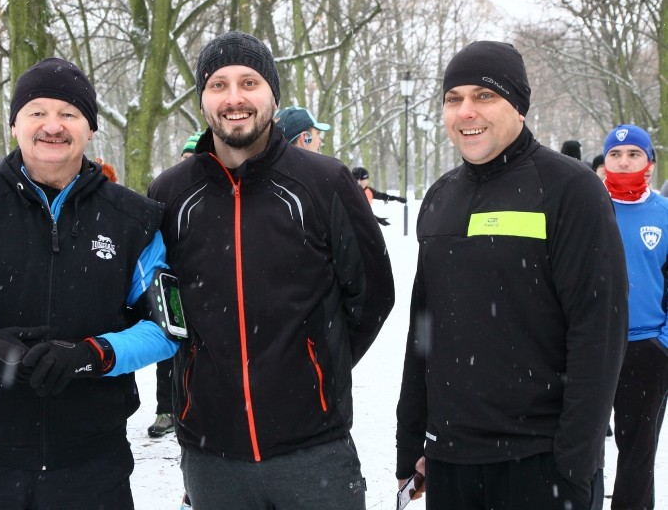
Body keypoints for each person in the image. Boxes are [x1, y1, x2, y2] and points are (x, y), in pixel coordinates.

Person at [0, 57, 179, 510]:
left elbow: (167, 329)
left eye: (69, 113)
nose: (52, 126)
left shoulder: (132, 220)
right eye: (37, 112)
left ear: (90, 128)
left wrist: (94, 355)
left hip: (92, 468)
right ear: (15, 125)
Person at [148, 30, 396, 509]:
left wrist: (315, 369)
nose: (234, 98)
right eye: (218, 84)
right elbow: (159, 302)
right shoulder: (171, 193)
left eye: (249, 82)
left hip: (314, 450)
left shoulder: (325, 182)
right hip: (211, 456)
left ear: (273, 96)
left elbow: (372, 296)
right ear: (202, 99)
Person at [395, 41, 628, 510]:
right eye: (453, 98)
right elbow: (424, 331)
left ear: (518, 105)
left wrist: (576, 461)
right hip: (451, 460)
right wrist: (410, 444)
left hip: (540, 461)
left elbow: (598, 330)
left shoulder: (570, 189)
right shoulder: (440, 198)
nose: (466, 111)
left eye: (484, 95)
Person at [601, 124, 668, 510]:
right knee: (581, 447)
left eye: (633, 154)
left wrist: (663, 342)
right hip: (592, 346)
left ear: (650, 163)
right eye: (615, 154)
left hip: (648, 350)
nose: (624, 161)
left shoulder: (662, 214)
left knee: (637, 455)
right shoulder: (589, 208)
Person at [148, 131, 204, 439]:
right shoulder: (167, 190)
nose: (189, 162)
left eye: (194, 156)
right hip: (170, 285)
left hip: (207, 290)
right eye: (185, 157)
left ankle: (202, 406)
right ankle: (165, 410)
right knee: (167, 349)